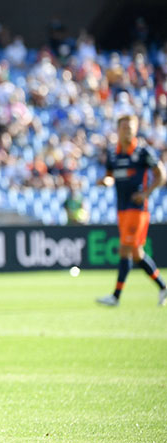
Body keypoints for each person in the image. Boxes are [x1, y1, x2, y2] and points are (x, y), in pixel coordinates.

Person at [95, 113, 167, 307]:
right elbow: (110, 176)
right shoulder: (113, 154)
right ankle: (162, 286)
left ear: (135, 130)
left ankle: (116, 297)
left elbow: (161, 175)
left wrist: (146, 194)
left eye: (131, 128)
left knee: (125, 249)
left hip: (137, 208)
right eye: (124, 127)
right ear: (118, 130)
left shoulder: (143, 152)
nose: (128, 131)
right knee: (136, 254)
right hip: (121, 208)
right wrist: (105, 181)